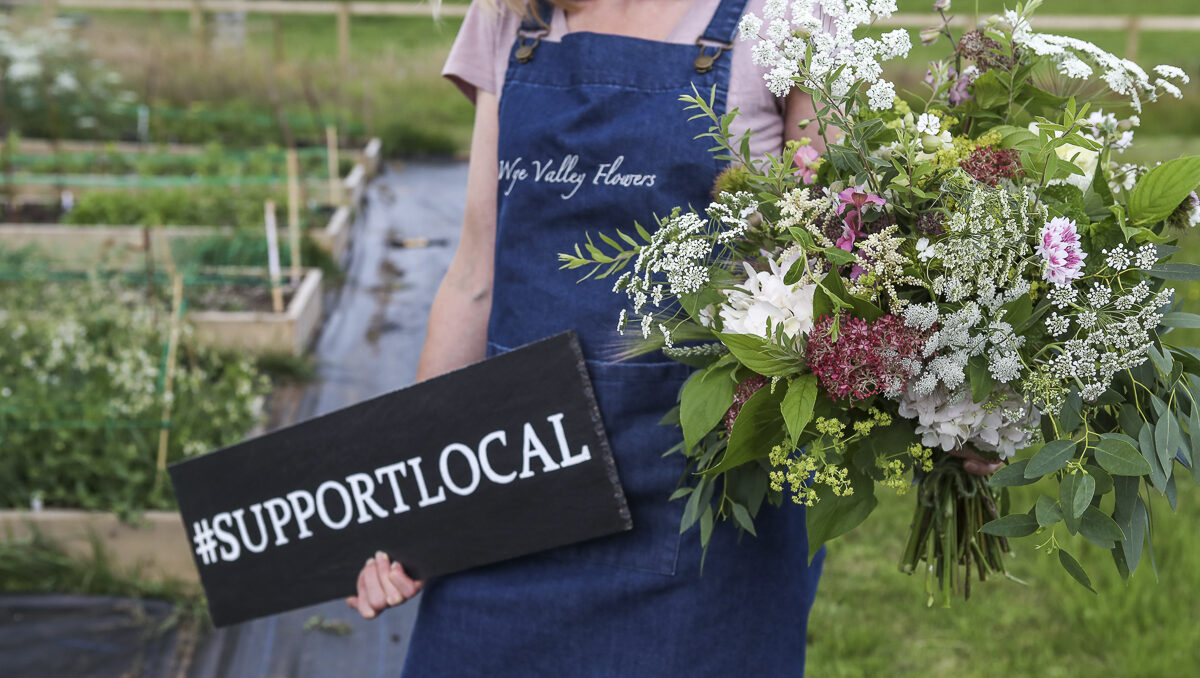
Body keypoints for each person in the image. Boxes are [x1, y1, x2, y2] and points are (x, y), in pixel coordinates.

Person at [347, 0, 833, 674]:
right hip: (511, 500)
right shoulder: (510, 16)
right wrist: (422, 499)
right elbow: (474, 276)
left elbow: (845, 262)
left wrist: (949, 411)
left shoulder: (787, 17)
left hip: (702, 528)